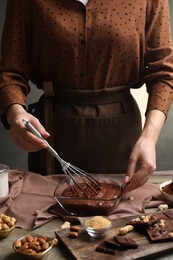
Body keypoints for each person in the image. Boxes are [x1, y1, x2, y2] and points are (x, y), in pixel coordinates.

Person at [0, 0, 173, 192]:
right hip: (52, 135)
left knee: (125, 216)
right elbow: (9, 72)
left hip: (121, 136)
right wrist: (15, 112)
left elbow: (163, 73)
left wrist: (149, 137)